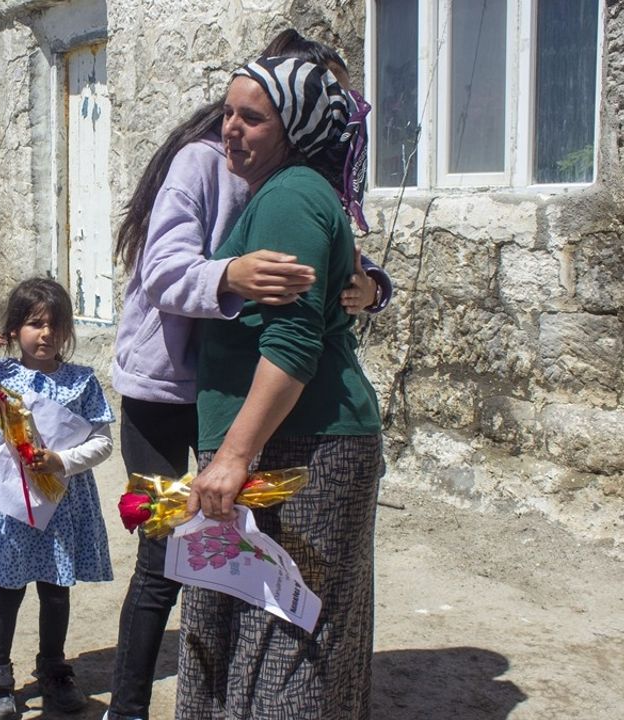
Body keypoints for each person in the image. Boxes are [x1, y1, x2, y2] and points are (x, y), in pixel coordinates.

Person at [106, 29, 391, 720]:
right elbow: (162, 271)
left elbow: (315, 290)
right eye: (232, 111)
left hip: (259, 411)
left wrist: (371, 285)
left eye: (252, 116)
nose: (233, 127)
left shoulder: (294, 188)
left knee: (260, 599)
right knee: (178, 568)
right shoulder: (211, 165)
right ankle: (129, 707)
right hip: (172, 386)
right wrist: (231, 274)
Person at [0, 277, 114, 720]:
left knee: (56, 590)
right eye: (35, 323)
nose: (46, 334)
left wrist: (62, 461)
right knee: (8, 589)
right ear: (15, 328)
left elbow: (103, 442)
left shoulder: (81, 381)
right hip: (11, 505)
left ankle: (54, 670)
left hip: (62, 504)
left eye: (56, 324)